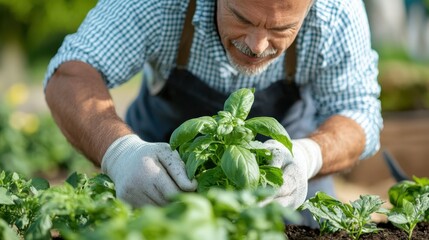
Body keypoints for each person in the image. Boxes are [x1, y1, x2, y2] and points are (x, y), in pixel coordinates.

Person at [43, 0, 382, 227]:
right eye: (241, 18)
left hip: (287, 172)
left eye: (281, 29)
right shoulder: (157, 5)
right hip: (157, 167)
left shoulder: (336, 11)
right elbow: (71, 73)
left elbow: (358, 110)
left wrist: (308, 156)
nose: (257, 44)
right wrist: (120, 153)